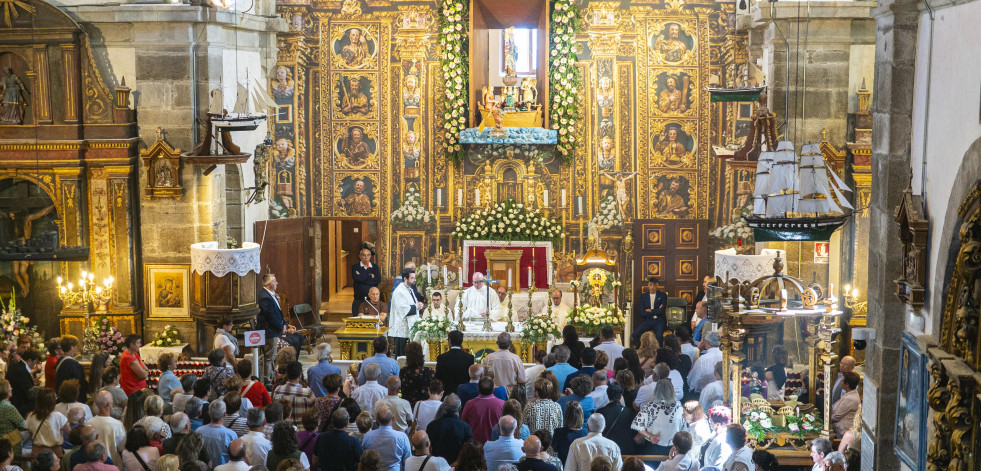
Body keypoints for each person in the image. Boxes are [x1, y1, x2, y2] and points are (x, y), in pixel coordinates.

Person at [631, 379, 681, 455]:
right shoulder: (678, 406)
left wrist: (650, 436)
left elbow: (636, 425)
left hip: (653, 446)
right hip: (672, 447)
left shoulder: (651, 406)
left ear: (656, 391)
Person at [425, 395, 471, 465]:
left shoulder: (431, 426)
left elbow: (428, 448)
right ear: (459, 408)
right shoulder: (465, 427)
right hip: (458, 466)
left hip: (436, 466)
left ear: (443, 407)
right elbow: (468, 451)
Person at [361, 405, 410, 471]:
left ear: (377, 419)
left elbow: (363, 458)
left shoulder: (367, 436)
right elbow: (407, 461)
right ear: (393, 419)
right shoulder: (402, 437)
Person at [257, 274, 285, 383]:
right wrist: (281, 326)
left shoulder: (270, 294)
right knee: (269, 357)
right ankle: (267, 381)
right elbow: (270, 315)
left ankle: (271, 377)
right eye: (275, 281)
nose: (277, 283)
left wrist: (284, 323)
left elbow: (278, 312)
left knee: (271, 356)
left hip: (273, 330)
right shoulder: (264, 296)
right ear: (269, 285)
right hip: (268, 331)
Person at [26, 388, 69, 458]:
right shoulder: (59, 416)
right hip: (55, 452)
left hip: (37, 452)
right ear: (52, 401)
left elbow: (30, 434)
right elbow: (69, 432)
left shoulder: (30, 416)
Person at [460, 377, 505, 444]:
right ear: (493, 388)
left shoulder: (469, 404)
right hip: (495, 444)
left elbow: (463, 423)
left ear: (478, 388)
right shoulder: (502, 404)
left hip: (475, 445)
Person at [272, 362, 315, 429]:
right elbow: (314, 412)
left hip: (282, 430)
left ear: (287, 374)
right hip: (301, 431)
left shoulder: (278, 390)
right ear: (300, 375)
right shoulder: (307, 393)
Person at [89, 390, 127, 465]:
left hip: (94, 464)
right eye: (112, 400)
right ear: (107, 404)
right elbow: (122, 448)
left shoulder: (89, 423)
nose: (113, 402)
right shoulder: (117, 424)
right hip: (113, 463)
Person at [434, 331, 474, 397]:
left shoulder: (441, 358)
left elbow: (438, 377)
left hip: (446, 393)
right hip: (463, 393)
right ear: (461, 341)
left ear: (449, 341)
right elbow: (470, 377)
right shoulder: (469, 358)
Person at [55, 336, 89, 402]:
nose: (76, 349)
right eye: (76, 346)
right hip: (74, 399)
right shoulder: (73, 364)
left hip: (62, 397)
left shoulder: (60, 361)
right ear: (71, 347)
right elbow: (81, 383)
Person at [633, 277, 667, 344]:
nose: (652, 287)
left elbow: (662, 311)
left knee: (659, 336)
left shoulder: (663, 295)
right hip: (647, 320)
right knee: (635, 334)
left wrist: (650, 310)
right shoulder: (643, 296)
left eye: (654, 285)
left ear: (657, 285)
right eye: (651, 285)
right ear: (648, 285)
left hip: (658, 320)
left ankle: (659, 352)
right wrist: (656, 311)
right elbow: (642, 312)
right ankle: (643, 349)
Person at [9, 348, 39, 416]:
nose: (35, 364)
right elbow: (27, 391)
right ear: (30, 360)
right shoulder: (21, 370)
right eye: (36, 361)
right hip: (19, 406)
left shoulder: (20, 366)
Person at [351, 248, 381, 316]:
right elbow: (357, 279)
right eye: (364, 255)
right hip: (359, 299)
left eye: (368, 255)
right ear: (360, 256)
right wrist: (370, 276)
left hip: (372, 301)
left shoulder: (375, 267)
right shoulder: (355, 267)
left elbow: (378, 280)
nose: (366, 257)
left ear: (370, 256)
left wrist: (362, 278)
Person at [831, 372, 861, 437]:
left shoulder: (850, 399)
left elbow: (836, 416)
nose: (840, 383)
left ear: (847, 384)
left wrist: (825, 420)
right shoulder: (850, 394)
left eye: (842, 381)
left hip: (843, 432)